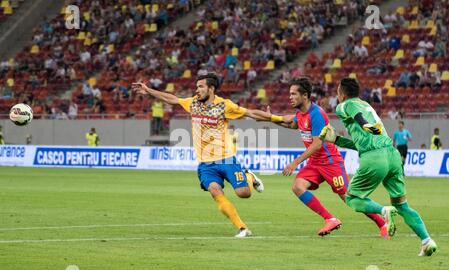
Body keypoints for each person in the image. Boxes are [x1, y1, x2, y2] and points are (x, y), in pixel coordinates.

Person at [132, 73, 274, 238]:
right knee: (215, 190)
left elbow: (250, 113)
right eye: (196, 87)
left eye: (200, 87)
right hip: (206, 164)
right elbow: (172, 99)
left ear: (211, 88)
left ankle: (249, 176)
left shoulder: (224, 105)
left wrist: (272, 117)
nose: (197, 90)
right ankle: (242, 228)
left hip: (226, 158)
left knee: (244, 193)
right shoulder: (193, 103)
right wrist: (149, 91)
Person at [320, 77, 437, 256]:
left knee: (352, 198)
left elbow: (359, 119)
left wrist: (365, 126)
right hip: (392, 155)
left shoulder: (344, 105)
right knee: (402, 205)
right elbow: (361, 142)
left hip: (374, 158)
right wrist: (336, 140)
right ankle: (426, 240)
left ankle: (383, 211)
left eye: (337, 91)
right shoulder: (367, 105)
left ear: (342, 93)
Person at [262, 77, 387, 237]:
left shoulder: (317, 114)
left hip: (330, 162)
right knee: (297, 187)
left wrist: (295, 163)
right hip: (315, 162)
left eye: (293, 94)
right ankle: (330, 219)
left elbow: (317, 144)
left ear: (305, 95)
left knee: (350, 198)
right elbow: (292, 124)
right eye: (290, 94)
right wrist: (273, 120)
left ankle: (382, 222)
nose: (290, 97)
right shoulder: (301, 113)